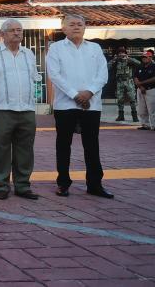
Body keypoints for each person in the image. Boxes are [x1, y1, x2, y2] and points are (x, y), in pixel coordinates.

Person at [47, 14, 112, 199]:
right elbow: (54, 75)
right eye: (72, 24)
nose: (76, 27)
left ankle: (94, 184)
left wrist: (89, 92)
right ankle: (63, 183)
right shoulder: (56, 48)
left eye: (80, 24)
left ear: (85, 27)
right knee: (63, 144)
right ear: (63, 29)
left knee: (91, 145)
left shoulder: (95, 48)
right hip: (65, 104)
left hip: (91, 104)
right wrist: (75, 95)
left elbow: (103, 75)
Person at [0, 19, 40, 200]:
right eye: (12, 30)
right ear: (2, 34)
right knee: (0, 149)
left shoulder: (29, 54)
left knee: (25, 149)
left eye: (19, 30)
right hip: (1, 110)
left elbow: (33, 77)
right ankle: (1, 186)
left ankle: (22, 185)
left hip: (26, 110)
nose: (17, 33)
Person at [109, 46, 140, 122]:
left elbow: (139, 63)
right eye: (120, 53)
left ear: (125, 53)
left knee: (132, 98)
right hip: (119, 82)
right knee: (120, 99)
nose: (121, 54)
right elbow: (107, 67)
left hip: (129, 81)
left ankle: (134, 116)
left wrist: (128, 58)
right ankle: (121, 115)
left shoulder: (129, 60)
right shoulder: (116, 61)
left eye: (123, 52)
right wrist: (114, 59)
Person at [134, 50, 155, 131]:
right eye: (143, 57)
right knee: (142, 109)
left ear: (150, 57)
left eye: (145, 57)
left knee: (153, 109)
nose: (144, 59)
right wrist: (140, 86)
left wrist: (141, 83)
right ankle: (145, 124)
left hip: (151, 90)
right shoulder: (139, 66)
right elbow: (135, 77)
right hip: (140, 90)